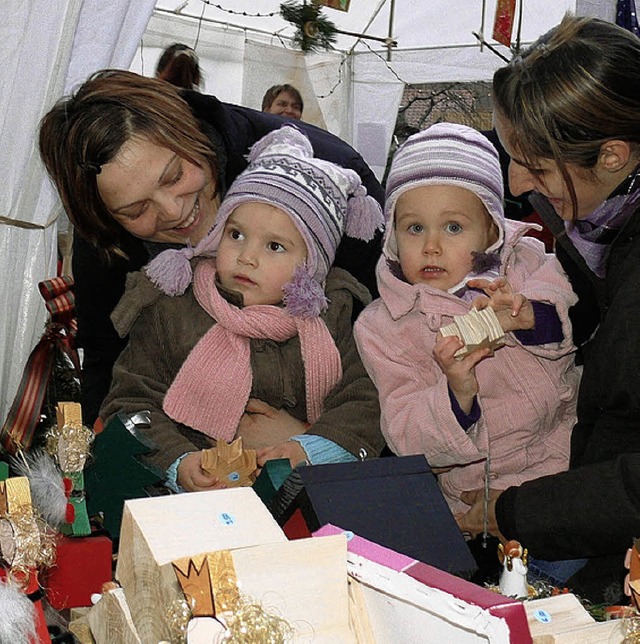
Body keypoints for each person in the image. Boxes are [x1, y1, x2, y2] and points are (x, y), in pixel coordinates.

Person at [38, 70, 383, 426]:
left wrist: (315, 443)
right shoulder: (105, 240)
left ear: (190, 131)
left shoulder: (323, 178)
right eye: (136, 210)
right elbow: (108, 361)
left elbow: (394, 355)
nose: (174, 211)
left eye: (174, 176)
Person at [457, 14, 640, 604]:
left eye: (536, 165)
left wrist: (513, 512)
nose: (515, 181)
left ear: (612, 154)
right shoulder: (606, 231)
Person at [98, 125, 386, 492]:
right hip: (196, 506)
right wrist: (178, 462)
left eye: (275, 247)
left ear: (311, 265)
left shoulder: (335, 316)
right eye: (236, 235)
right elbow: (129, 401)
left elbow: (365, 400)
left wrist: (310, 446)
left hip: (305, 500)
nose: (247, 257)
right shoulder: (172, 310)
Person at [354, 123, 579, 518]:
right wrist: (457, 391)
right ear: (391, 236)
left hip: (563, 463)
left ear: (492, 229)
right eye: (414, 228)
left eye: (453, 227)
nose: (431, 246)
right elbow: (405, 434)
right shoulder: (384, 327)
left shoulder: (527, 264)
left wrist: (525, 315)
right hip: (473, 498)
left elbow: (569, 321)